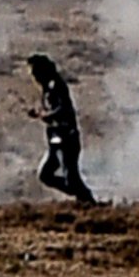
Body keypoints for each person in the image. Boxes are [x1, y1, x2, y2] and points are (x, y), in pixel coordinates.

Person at [28, 54, 97, 204]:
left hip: (67, 138)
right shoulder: (48, 88)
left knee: (71, 177)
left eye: (35, 72)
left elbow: (64, 109)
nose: (34, 77)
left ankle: (86, 199)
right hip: (56, 138)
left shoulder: (56, 85)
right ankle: (83, 195)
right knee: (46, 175)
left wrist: (46, 116)